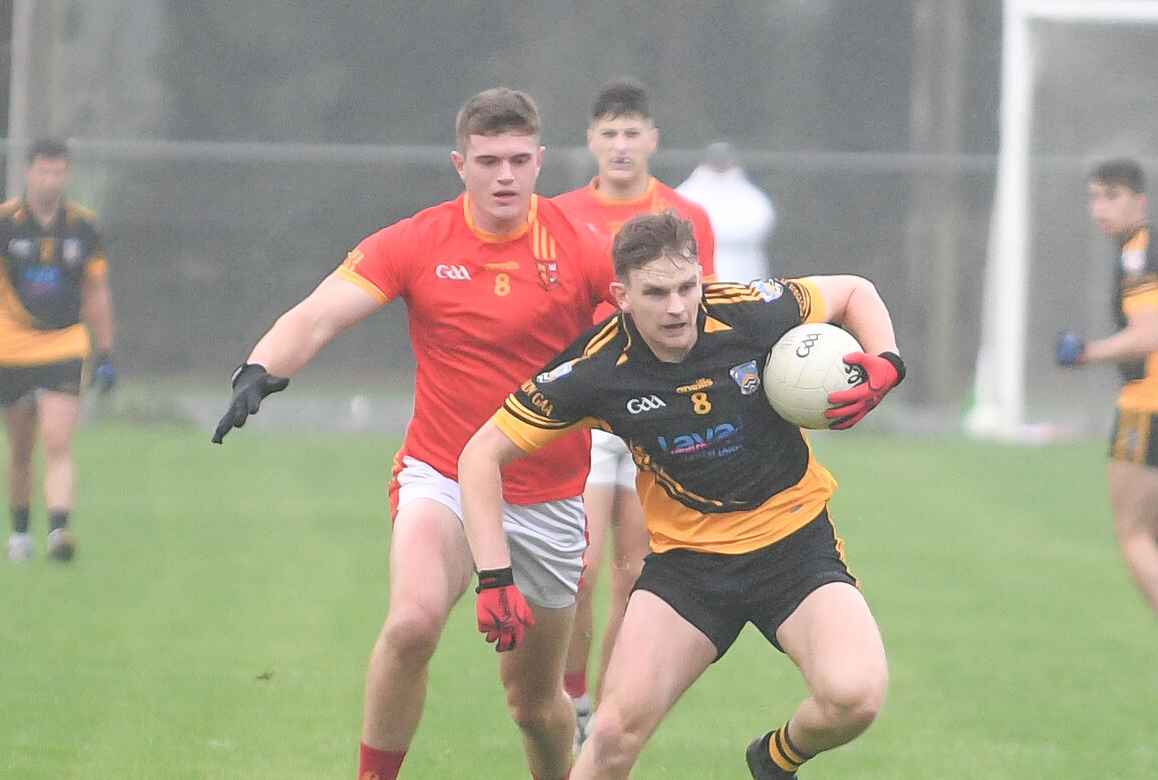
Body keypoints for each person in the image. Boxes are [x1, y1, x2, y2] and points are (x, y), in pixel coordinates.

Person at [211, 87, 615, 780]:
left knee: (531, 702)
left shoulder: (581, 247)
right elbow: (316, 316)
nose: (505, 176)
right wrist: (260, 366)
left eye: (519, 159)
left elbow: (659, 327)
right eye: (488, 160)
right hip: (444, 474)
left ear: (543, 161)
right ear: (460, 163)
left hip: (548, 497)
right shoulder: (418, 241)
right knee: (412, 625)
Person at [459, 212, 904, 779]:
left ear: (701, 277)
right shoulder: (597, 368)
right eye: (656, 293)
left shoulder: (747, 310)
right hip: (688, 570)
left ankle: (776, 759)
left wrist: (886, 362)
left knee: (855, 698)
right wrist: (495, 576)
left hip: (794, 548)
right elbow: (480, 454)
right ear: (622, 295)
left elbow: (853, 292)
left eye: (687, 287)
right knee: (614, 735)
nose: (677, 307)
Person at [551, 77, 716, 747]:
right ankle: (572, 695)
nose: (621, 145)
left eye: (632, 132)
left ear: (652, 139)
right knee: (581, 566)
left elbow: (705, 311)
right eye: (609, 133)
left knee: (635, 573)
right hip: (590, 412)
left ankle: (610, 710)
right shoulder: (559, 214)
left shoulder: (686, 217)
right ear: (591, 140)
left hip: (657, 415)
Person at [0, 137, 116, 563]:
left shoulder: (84, 227)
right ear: (29, 172)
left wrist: (106, 352)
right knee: (19, 447)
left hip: (65, 345)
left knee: (57, 441)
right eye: (44, 171)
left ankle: (59, 532)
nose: (51, 180)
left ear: (67, 175)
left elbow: (97, 290)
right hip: (10, 350)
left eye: (59, 172)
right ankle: (20, 533)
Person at [1057, 157, 1158, 628]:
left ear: (1139, 200)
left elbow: (1147, 335)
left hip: (1148, 403)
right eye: (1094, 197)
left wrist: (1086, 353)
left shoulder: (1139, 252)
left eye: (1112, 196)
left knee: (1133, 533)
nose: (1100, 208)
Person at [677, 140, 776, 284]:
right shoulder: (687, 193)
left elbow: (761, 222)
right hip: (697, 266)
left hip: (744, 267)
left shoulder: (749, 195)